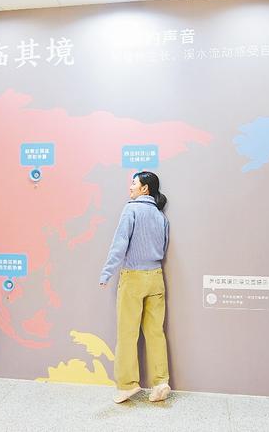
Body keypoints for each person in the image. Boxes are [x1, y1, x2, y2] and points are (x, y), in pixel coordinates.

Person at [100, 171, 171, 404]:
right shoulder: (161, 216)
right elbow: (164, 246)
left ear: (145, 189)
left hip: (133, 278)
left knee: (127, 333)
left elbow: (119, 244)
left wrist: (107, 272)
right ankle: (160, 382)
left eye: (134, 183)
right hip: (156, 276)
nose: (130, 187)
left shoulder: (131, 209)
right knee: (155, 332)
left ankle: (128, 385)